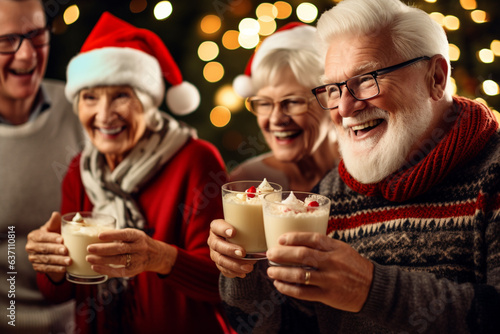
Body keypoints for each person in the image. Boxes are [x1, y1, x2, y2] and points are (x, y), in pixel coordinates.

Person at [208, 0, 500, 333]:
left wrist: (371, 290)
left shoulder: (492, 175)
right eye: (333, 89)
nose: (344, 108)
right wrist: (243, 274)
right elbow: (280, 326)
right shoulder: (328, 195)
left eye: (366, 79)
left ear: (435, 77)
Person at [26, 12, 231, 334]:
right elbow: (61, 293)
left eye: (121, 95)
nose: (104, 115)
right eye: (89, 98)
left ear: (149, 103)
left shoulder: (195, 159)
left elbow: (225, 282)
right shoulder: (81, 168)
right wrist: (51, 265)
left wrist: (159, 257)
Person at [0, 0, 84, 332]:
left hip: (78, 323)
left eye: (36, 35)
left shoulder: (85, 109)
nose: (27, 55)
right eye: (6, 41)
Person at [230, 22, 339, 192]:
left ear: (331, 100)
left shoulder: (366, 173)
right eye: (265, 103)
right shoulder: (244, 182)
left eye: (293, 102)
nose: (275, 119)